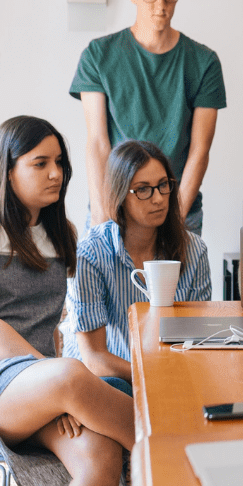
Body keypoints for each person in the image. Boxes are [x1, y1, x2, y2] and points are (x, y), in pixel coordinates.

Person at [0, 116, 134, 486]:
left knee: (101, 456)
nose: (56, 173)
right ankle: (185, 459)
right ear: (8, 167)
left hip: (41, 389)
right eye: (40, 163)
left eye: (59, 162)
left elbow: (49, 328)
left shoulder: (59, 233)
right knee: (74, 376)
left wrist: (55, 387)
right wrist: (55, 380)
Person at [69, 0, 227, 235]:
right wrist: (103, 216)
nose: (161, 4)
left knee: (180, 282)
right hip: (116, 206)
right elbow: (98, 143)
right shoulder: (98, 56)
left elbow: (199, 150)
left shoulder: (204, 62)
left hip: (179, 208)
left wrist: (175, 220)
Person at [64, 141, 212, 387]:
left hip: (171, 376)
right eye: (143, 189)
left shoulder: (194, 250)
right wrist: (155, 376)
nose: (158, 199)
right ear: (120, 194)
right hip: (107, 381)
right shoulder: (90, 254)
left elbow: (196, 339)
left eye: (163, 185)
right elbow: (94, 358)